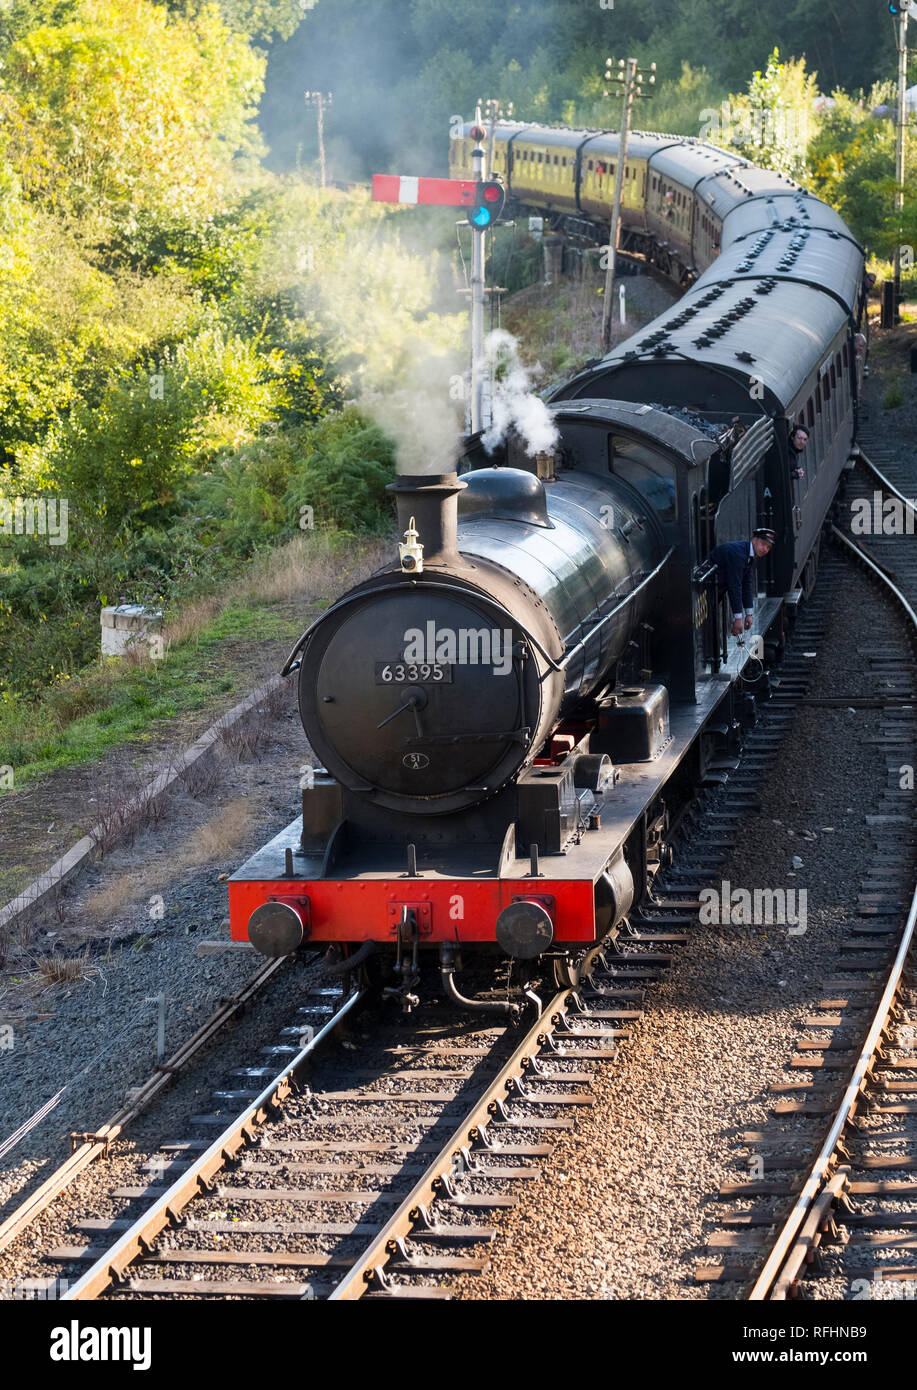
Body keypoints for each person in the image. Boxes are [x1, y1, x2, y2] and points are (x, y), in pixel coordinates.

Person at [708, 528, 776, 638]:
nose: (765, 549)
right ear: (754, 540)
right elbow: (735, 586)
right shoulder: (738, 554)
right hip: (708, 591)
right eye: (763, 544)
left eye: (768, 547)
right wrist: (738, 618)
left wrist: (749, 614)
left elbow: (746, 583)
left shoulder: (748, 554)